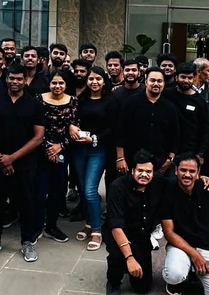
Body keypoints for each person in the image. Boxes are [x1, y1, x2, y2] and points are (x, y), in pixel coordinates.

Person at [0, 65, 46, 262]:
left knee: (26, 202)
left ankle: (27, 241)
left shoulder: (34, 104)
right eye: (11, 78)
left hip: (25, 163)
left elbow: (38, 137)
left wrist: (12, 158)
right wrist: (0, 158)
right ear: (6, 79)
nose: (15, 82)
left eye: (19, 79)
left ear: (25, 80)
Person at [159, 155, 209, 295]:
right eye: (183, 170)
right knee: (173, 274)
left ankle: (195, 272)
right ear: (176, 170)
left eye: (192, 171)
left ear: (198, 173)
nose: (187, 174)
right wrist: (195, 255)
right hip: (180, 246)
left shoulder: (207, 188)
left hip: (206, 246)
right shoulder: (167, 191)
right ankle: (180, 278)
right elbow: (169, 233)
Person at [104, 151, 161, 295]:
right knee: (117, 256)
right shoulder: (118, 187)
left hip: (141, 236)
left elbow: (181, 183)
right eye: (140, 170)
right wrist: (129, 258)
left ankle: (130, 262)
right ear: (132, 170)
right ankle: (113, 282)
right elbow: (116, 226)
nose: (144, 175)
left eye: (148, 171)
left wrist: (202, 179)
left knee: (143, 287)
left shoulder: (158, 183)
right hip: (119, 234)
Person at [70, 66, 111, 251]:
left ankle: (96, 230)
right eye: (91, 79)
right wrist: (72, 126)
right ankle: (88, 223)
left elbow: (113, 127)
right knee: (82, 188)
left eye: (98, 79)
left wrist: (94, 139)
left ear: (104, 81)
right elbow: (72, 118)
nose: (94, 82)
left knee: (90, 190)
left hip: (98, 149)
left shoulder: (110, 100)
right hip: (79, 148)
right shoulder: (81, 99)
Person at [37, 70, 77, 242]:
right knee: (40, 190)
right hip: (41, 148)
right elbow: (35, 125)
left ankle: (51, 226)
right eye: (54, 83)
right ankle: (37, 225)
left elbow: (74, 128)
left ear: (66, 85)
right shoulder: (39, 99)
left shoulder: (72, 101)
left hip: (63, 149)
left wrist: (59, 147)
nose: (57, 86)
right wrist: (48, 148)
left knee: (58, 189)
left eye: (61, 83)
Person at [115, 68, 179, 175]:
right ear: (145, 82)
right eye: (152, 80)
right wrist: (120, 158)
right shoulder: (132, 102)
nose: (156, 84)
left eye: (159, 81)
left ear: (164, 83)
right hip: (132, 160)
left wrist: (170, 159)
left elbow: (175, 135)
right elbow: (120, 130)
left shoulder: (169, 107)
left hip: (160, 163)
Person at [164, 63, 209, 165]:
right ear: (176, 77)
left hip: (190, 151)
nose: (186, 80)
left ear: (194, 78)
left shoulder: (200, 101)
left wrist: (201, 153)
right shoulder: (166, 95)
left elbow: (205, 127)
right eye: (183, 77)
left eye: (189, 78)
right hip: (167, 149)